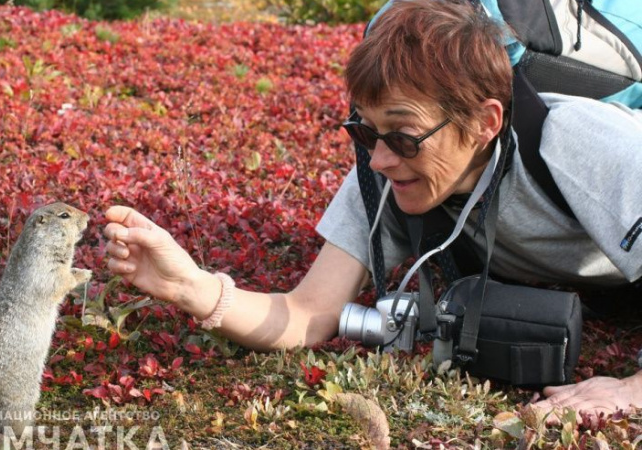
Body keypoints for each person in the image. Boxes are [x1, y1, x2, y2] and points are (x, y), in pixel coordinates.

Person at [103, 0, 642, 421]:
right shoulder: (385, 171)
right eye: (364, 130)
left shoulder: (582, 144)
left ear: (486, 122)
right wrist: (190, 288)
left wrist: (631, 391)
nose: (380, 158)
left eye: (404, 137)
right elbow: (306, 315)